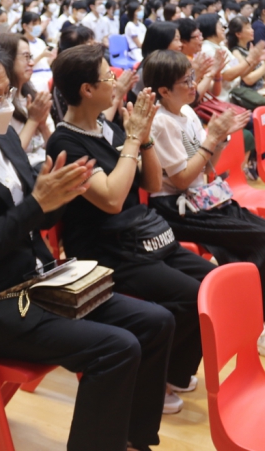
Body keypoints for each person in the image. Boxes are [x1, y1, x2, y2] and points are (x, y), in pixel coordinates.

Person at [0, 40, 173, 451]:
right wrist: (37, 204)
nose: (5, 105)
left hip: (39, 280)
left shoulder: (3, 137)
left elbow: (39, 218)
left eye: (7, 93)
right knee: (116, 349)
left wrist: (60, 195)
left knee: (156, 321)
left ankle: (133, 438)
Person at [48, 44, 216, 413]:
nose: (117, 81)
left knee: (211, 282)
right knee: (190, 297)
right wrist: (132, 140)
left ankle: (172, 371)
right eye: (109, 77)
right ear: (87, 90)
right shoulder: (65, 142)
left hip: (139, 237)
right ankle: (155, 380)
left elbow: (151, 184)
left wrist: (146, 138)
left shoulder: (106, 127)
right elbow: (111, 198)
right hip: (104, 250)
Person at [142, 50, 265, 357]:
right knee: (253, 239)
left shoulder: (187, 113)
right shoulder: (161, 124)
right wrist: (211, 139)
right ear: (164, 90)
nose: (194, 85)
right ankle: (252, 325)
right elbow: (182, 179)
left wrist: (221, 137)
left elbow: (207, 166)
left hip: (200, 198)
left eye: (192, 77)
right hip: (175, 207)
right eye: (186, 80)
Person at [0, 33, 53, 170]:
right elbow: (12, 155)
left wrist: (43, 126)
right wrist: (33, 120)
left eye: (30, 57)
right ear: (7, 59)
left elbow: (54, 148)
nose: (31, 63)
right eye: (26, 57)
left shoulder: (33, 95)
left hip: (45, 162)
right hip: (23, 171)